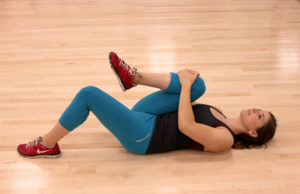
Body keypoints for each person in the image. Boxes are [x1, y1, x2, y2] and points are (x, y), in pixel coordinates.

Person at [17, 52, 277, 158]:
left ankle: (47, 145)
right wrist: (189, 85)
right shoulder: (220, 114)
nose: (256, 109)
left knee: (89, 95)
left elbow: (186, 125)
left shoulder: (225, 140)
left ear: (254, 133)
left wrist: (184, 85)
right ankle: (134, 77)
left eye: (260, 116)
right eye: (260, 109)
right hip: (149, 115)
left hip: (145, 137)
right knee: (200, 86)